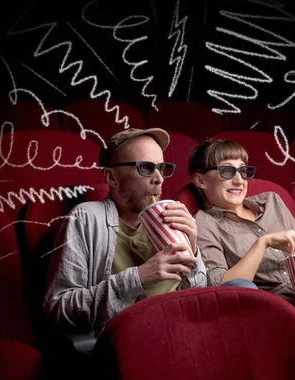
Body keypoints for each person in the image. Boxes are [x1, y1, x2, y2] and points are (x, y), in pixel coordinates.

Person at [44, 128, 206, 337]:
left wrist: (192, 249)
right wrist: (138, 278)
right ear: (111, 176)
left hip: (182, 330)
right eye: (146, 168)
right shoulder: (86, 217)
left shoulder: (173, 218)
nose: (159, 179)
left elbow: (197, 296)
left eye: (161, 168)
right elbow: (59, 310)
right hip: (128, 340)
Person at [188, 139, 295, 305]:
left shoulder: (271, 201)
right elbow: (223, 287)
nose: (239, 180)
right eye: (227, 171)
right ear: (201, 181)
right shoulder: (203, 224)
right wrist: (263, 243)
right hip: (271, 307)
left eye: (243, 171)